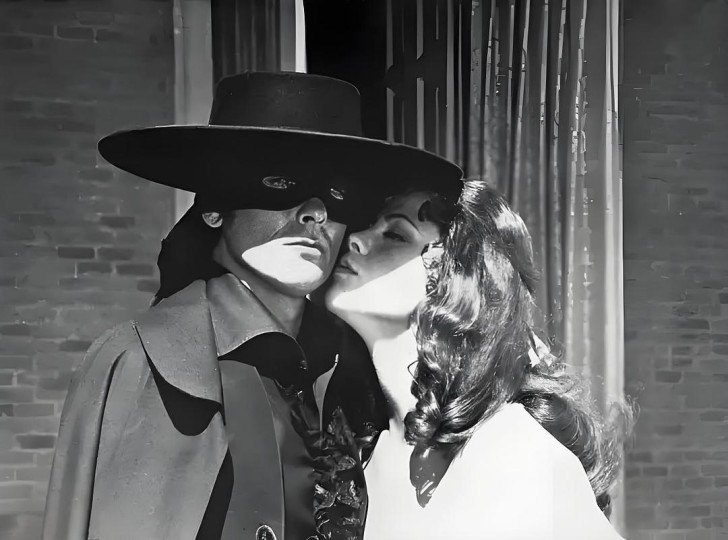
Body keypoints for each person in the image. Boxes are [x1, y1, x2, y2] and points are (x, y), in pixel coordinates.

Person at [41, 72, 463, 540]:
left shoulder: (348, 366)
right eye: (281, 182)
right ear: (215, 207)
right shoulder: (150, 359)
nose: (316, 212)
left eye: (337, 194)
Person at [321, 180, 632, 539]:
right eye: (369, 226)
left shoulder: (514, 449)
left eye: (395, 235)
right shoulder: (360, 454)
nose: (356, 239)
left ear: (456, 280)